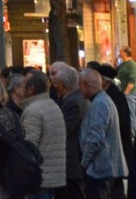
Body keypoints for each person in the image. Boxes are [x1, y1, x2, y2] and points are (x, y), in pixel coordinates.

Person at [79, 68, 128, 199]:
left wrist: (84, 163)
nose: (79, 89)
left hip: (101, 169)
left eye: (80, 84)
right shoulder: (101, 100)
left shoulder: (100, 103)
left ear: (86, 84)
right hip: (103, 167)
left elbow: (95, 138)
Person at [21, 69, 67, 196]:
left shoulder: (33, 111)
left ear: (31, 88)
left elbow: (30, 146)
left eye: (24, 84)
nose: (21, 88)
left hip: (40, 176)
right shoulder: (52, 105)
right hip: (53, 173)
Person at [52, 66, 89, 199]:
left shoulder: (72, 102)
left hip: (72, 162)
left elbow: (64, 130)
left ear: (63, 85)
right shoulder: (77, 98)